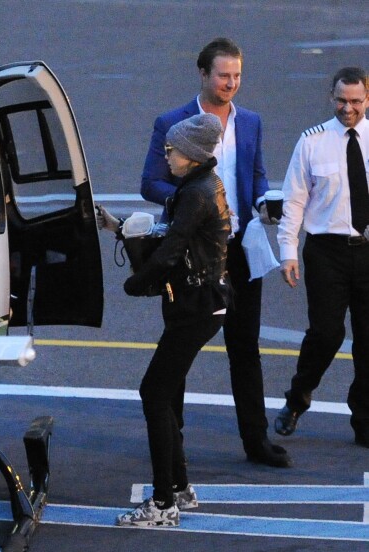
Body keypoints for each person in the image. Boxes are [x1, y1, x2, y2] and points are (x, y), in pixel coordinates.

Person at [140, 37, 291, 467]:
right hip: (192, 254)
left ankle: (256, 441)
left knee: (245, 347)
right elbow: (151, 183)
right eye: (223, 75)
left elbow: (256, 176)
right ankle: (174, 438)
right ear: (203, 74)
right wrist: (195, 206)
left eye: (237, 75)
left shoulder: (252, 122)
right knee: (180, 347)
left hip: (240, 250)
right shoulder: (173, 122)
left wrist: (264, 201)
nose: (231, 83)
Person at [110, 113, 231, 526]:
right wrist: (120, 227)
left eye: (171, 150)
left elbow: (171, 249)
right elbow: (170, 234)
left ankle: (163, 504)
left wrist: (136, 284)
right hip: (199, 305)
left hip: (195, 309)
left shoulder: (196, 192)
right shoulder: (197, 186)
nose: (166, 155)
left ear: (192, 155)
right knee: (164, 393)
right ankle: (179, 488)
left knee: (154, 393)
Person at [275, 67, 369, 447]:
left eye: (356, 101)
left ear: (368, 99)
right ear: (332, 98)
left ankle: (364, 419)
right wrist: (288, 251)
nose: (348, 108)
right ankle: (298, 397)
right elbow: (294, 200)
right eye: (341, 100)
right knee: (327, 333)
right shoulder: (312, 142)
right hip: (326, 252)